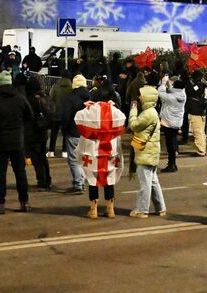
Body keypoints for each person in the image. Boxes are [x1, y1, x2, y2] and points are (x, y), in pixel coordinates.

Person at [0, 71, 35, 213]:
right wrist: (20, 129)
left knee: (0, 174)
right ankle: (24, 202)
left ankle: (0, 204)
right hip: (17, 140)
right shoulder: (20, 98)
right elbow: (30, 116)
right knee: (20, 172)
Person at [76, 89, 126, 218]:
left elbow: (77, 118)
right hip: (110, 149)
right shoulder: (114, 111)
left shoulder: (87, 111)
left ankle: (93, 209)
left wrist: (87, 106)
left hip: (92, 150)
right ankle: (110, 209)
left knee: (93, 179)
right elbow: (122, 120)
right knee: (109, 178)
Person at [129, 84, 166, 218]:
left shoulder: (147, 113)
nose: (138, 98)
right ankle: (160, 208)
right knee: (153, 181)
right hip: (151, 151)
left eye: (141, 95)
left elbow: (133, 125)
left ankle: (142, 210)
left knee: (145, 184)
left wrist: (133, 110)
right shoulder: (152, 112)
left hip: (145, 151)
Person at [157, 75, 186, 173]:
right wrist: (169, 85)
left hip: (168, 122)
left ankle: (171, 164)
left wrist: (163, 83)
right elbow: (172, 90)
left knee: (170, 144)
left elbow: (160, 93)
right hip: (177, 121)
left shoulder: (171, 97)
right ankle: (173, 163)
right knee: (173, 142)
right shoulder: (182, 94)